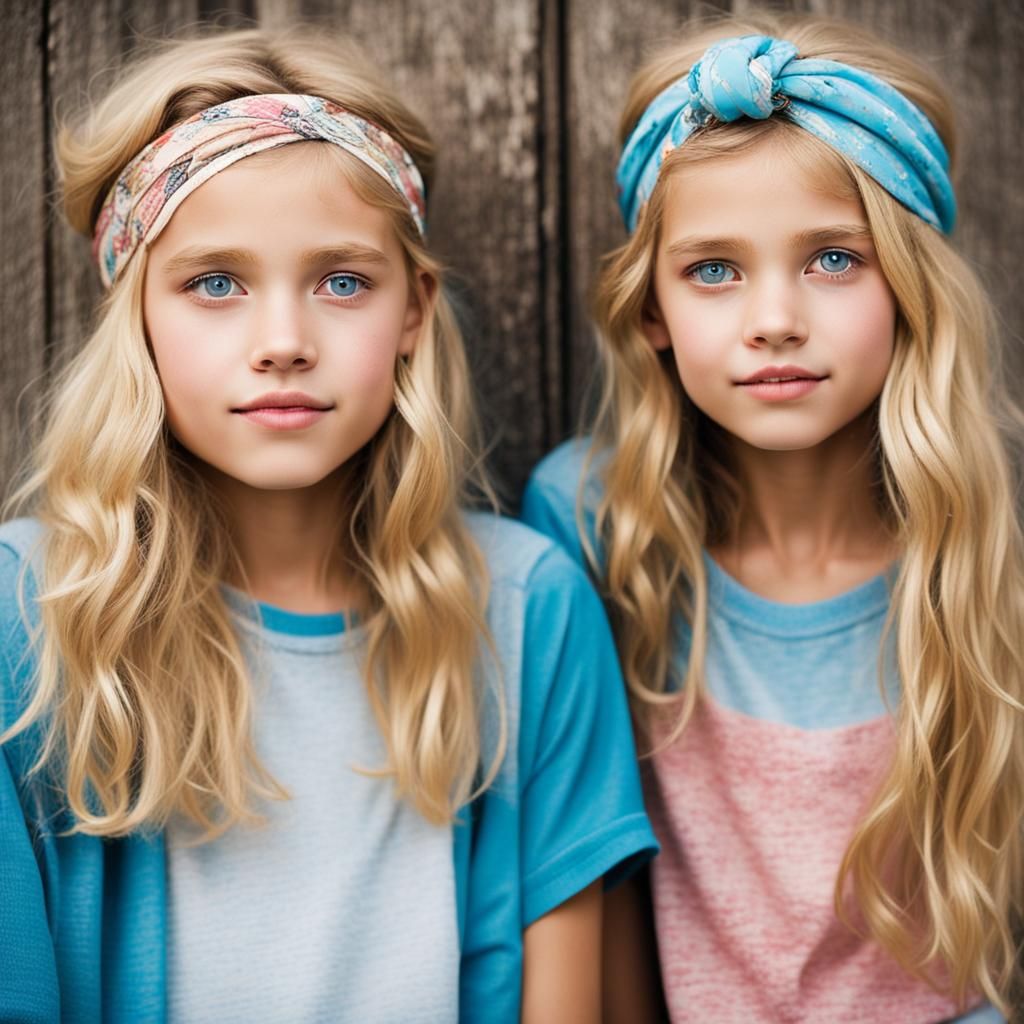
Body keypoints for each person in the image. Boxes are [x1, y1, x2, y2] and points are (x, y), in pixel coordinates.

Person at [0, 27, 656, 1024]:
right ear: (134, 318)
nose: (282, 343)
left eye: (341, 281)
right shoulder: (27, 617)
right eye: (213, 283)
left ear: (414, 312)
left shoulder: (526, 613)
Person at [522, 12, 1023, 1023]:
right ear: (652, 313)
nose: (774, 318)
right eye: (714, 269)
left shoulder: (989, 553)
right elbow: (589, 874)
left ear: (910, 289)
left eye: (832, 260)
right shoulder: (593, 524)